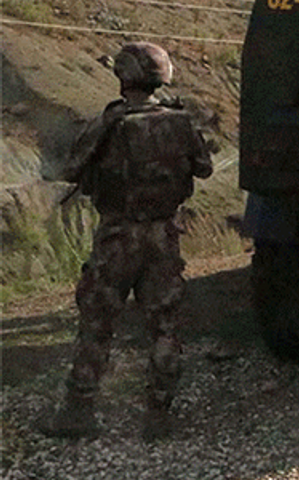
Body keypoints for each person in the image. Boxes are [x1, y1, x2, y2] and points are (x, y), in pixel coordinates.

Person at [42, 42, 212, 440]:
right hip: (164, 236)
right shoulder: (180, 121)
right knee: (165, 325)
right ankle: (158, 415)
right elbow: (203, 168)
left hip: (118, 237)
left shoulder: (111, 123)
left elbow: (71, 169)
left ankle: (79, 411)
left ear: (124, 77)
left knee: (98, 323)